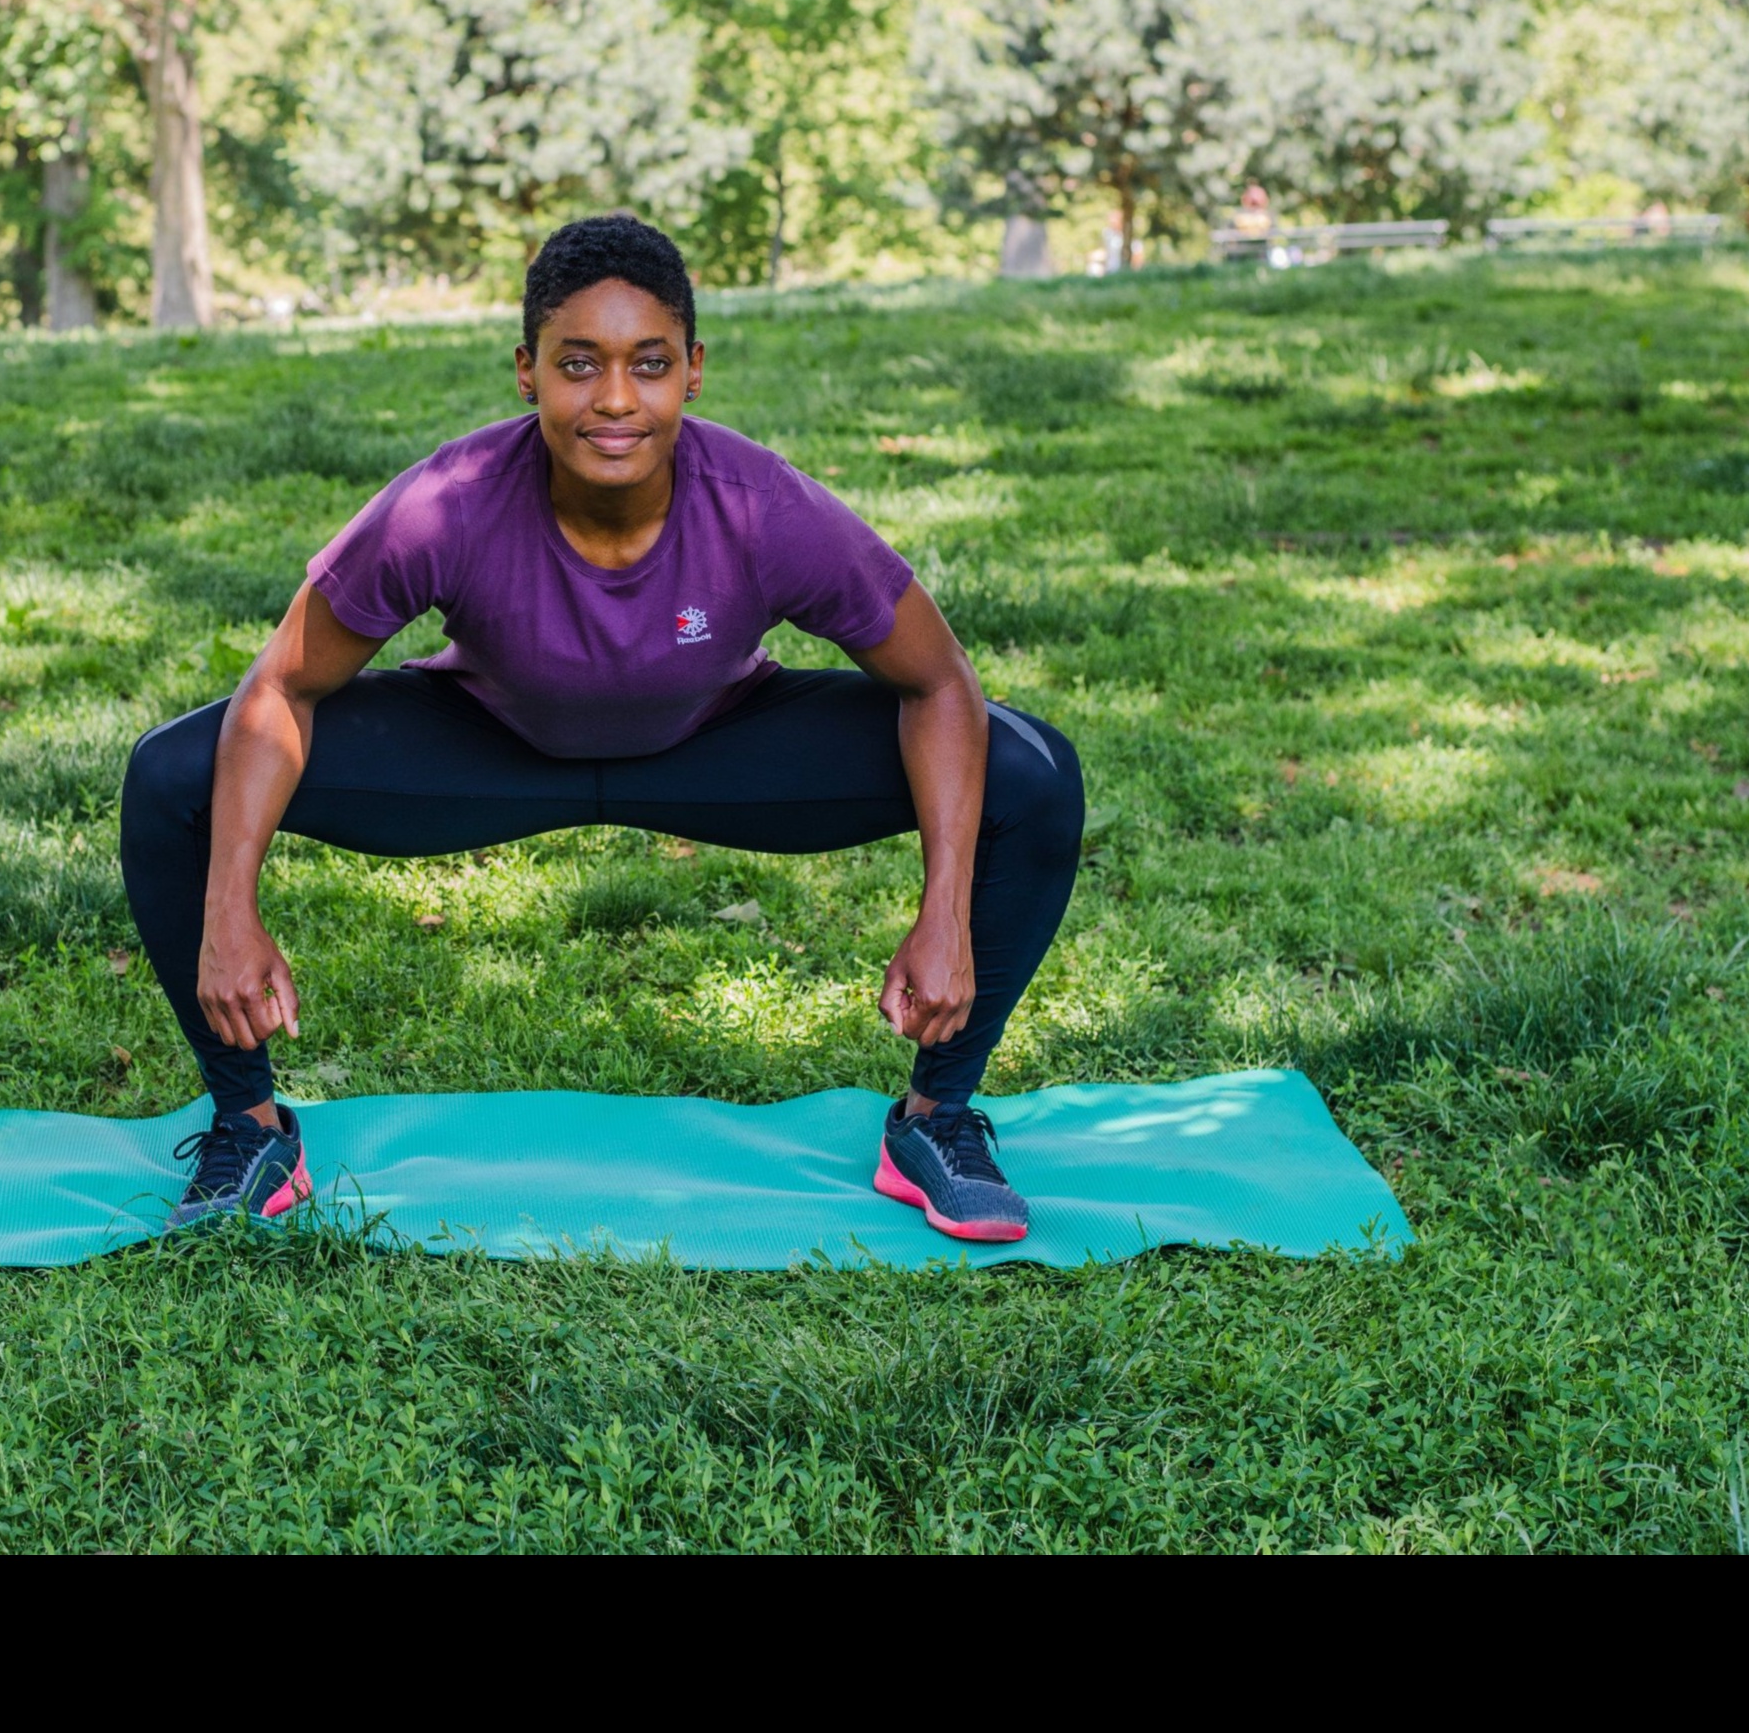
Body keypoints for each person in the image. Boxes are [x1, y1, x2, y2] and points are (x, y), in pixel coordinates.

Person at [119, 215, 1084, 1243]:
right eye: (578, 364)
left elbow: (940, 683)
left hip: (716, 744)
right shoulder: (445, 503)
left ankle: (936, 1119)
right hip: (484, 747)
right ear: (527, 370)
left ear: (693, 372)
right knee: (176, 771)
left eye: (648, 364)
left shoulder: (763, 509)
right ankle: (249, 1125)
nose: (615, 399)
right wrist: (230, 909)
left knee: (1030, 771)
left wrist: (944, 914)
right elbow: (278, 690)